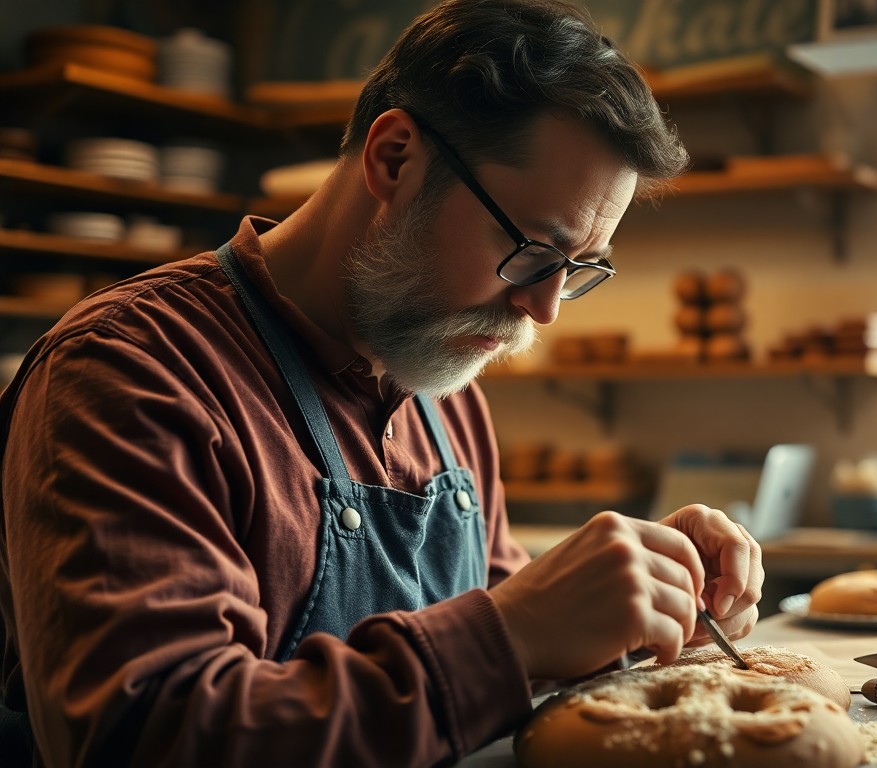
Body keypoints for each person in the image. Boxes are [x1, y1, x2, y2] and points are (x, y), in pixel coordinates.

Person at [0, 1, 764, 765]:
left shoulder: (441, 381)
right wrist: (512, 634)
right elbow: (146, 737)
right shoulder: (129, 372)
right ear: (396, 158)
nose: (544, 308)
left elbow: (516, 654)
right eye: (534, 250)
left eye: (578, 270)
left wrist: (636, 605)